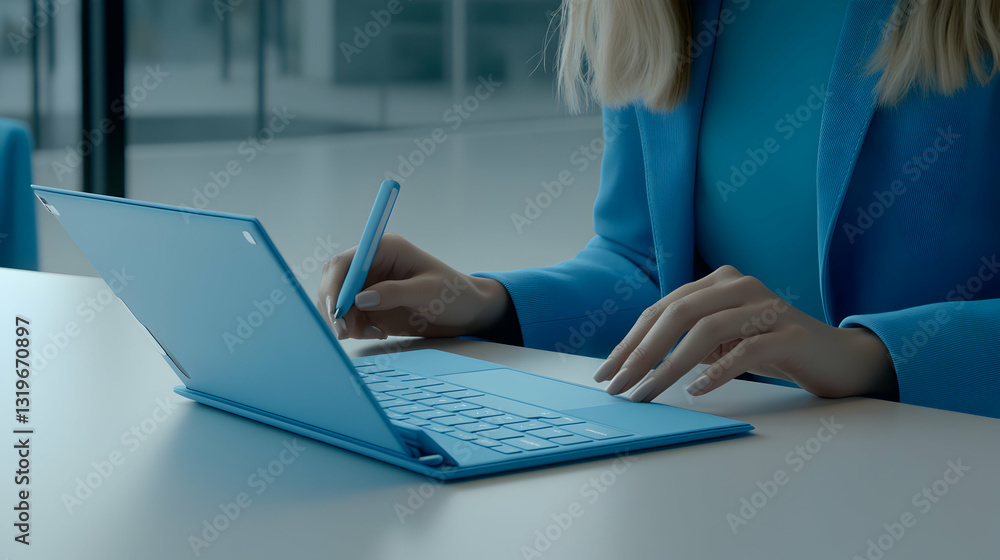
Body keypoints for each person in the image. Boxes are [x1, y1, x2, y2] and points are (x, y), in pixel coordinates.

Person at [318, 0, 1000, 418]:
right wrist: (487, 304)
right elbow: (651, 269)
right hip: (738, 463)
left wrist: (869, 356)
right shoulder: (660, 10)